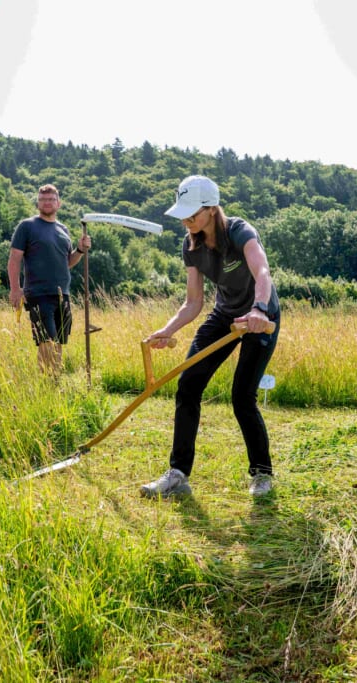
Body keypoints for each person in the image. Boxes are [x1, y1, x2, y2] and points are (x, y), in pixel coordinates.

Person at [142, 175, 281, 499]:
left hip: (260, 317)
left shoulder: (239, 231)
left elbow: (262, 272)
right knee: (188, 385)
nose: (186, 221)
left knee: (242, 396)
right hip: (225, 315)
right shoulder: (191, 244)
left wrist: (260, 309)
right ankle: (178, 475)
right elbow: (193, 302)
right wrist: (168, 329)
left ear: (211, 209)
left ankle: (262, 473)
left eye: (192, 214)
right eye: (184, 214)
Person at [7, 184, 92, 374]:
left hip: (62, 294)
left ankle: (55, 382)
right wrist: (15, 289)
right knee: (46, 341)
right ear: (38, 203)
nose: (47, 203)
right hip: (38, 294)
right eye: (43, 199)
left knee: (59, 341)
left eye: (51, 199)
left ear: (58, 203)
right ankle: (46, 382)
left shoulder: (63, 229)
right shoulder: (27, 226)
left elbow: (67, 262)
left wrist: (79, 250)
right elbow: (14, 259)